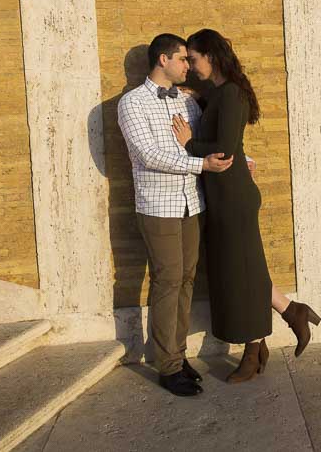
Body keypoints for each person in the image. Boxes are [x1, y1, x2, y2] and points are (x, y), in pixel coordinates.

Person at [172, 28, 321, 383]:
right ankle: (291, 313)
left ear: (211, 55)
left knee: (242, 274)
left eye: (194, 59)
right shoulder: (221, 94)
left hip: (234, 196)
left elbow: (223, 150)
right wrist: (198, 98)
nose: (191, 67)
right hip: (225, 194)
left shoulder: (232, 95)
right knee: (244, 271)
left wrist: (190, 142)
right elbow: (222, 130)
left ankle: (255, 351)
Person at [116, 33, 234, 397]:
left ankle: (177, 355)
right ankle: (167, 366)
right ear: (164, 60)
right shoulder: (132, 103)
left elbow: (203, 144)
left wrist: (237, 162)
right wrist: (201, 164)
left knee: (185, 281)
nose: (188, 66)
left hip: (190, 202)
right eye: (183, 59)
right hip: (158, 207)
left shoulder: (187, 103)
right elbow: (148, 155)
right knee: (167, 281)